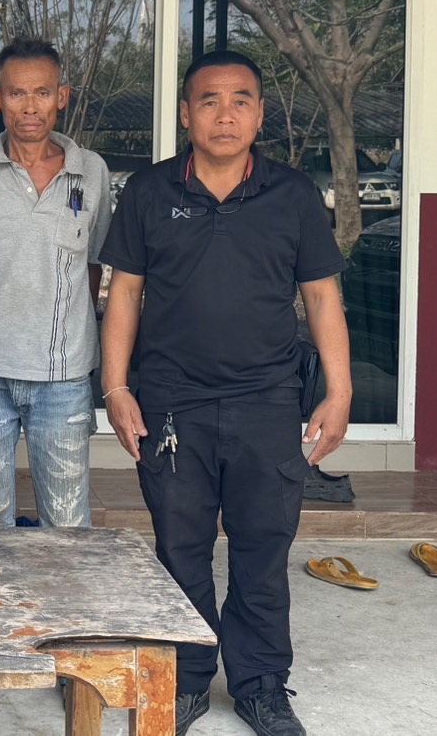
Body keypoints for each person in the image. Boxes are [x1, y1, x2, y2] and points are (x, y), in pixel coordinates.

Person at [99, 50, 352, 736]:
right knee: (179, 549)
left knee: (261, 548)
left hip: (267, 401)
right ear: (186, 114)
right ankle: (183, 681)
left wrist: (338, 391)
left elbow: (321, 296)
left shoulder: (291, 194)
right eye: (208, 100)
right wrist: (116, 387)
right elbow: (124, 294)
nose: (225, 114)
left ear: (260, 115)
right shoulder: (149, 191)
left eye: (240, 100)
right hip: (171, 404)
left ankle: (260, 684)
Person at [0, 38, 110, 705]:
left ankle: (69, 657)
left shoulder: (91, 173)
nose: (29, 107)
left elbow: (94, 267)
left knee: (67, 521)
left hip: (63, 374)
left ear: (61, 97)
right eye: (16, 93)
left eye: (42, 92)